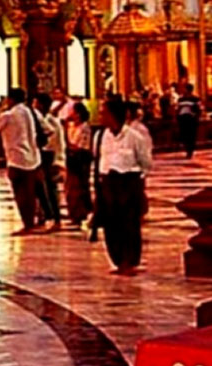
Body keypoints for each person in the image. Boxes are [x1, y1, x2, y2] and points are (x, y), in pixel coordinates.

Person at [95, 98, 153, 275]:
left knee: (129, 224)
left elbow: (145, 162)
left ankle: (130, 260)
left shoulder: (135, 136)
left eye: (104, 113)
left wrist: (137, 183)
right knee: (111, 224)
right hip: (108, 183)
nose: (100, 116)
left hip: (128, 182)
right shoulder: (100, 136)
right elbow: (98, 159)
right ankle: (118, 260)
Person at [0, 88, 42, 234]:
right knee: (30, 193)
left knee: (21, 193)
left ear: (11, 99)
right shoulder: (29, 112)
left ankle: (27, 223)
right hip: (33, 157)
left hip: (16, 159)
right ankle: (33, 221)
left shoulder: (9, 115)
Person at [33, 92, 65, 231]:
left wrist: (59, 160)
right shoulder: (39, 120)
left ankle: (55, 218)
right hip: (41, 156)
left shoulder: (52, 122)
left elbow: (57, 142)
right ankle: (43, 215)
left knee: (50, 189)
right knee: (40, 188)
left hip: (49, 156)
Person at [64, 100, 95, 233]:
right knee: (71, 186)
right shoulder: (72, 127)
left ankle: (82, 212)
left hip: (81, 158)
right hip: (72, 158)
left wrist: (67, 143)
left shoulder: (84, 128)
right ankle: (74, 212)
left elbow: (80, 145)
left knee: (80, 186)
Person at [175, 83, 201, 158]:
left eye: (185, 88)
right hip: (183, 119)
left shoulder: (195, 98)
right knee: (184, 135)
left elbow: (199, 108)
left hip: (191, 119)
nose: (183, 90)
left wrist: (196, 116)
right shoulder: (181, 99)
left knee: (191, 135)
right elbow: (178, 108)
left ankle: (190, 151)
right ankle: (187, 148)